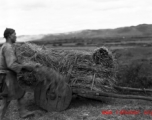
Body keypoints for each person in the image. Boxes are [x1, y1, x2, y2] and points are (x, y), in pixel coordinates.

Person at [0, 28, 37, 120]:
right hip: (6, 76)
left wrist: (22, 65)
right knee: (6, 99)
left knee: (20, 92)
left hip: (10, 75)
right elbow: (11, 64)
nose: (16, 36)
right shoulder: (8, 47)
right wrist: (25, 67)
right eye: (14, 34)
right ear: (9, 36)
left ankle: (22, 112)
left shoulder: (8, 46)